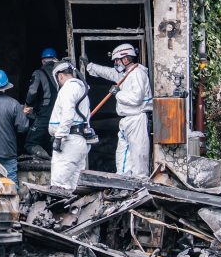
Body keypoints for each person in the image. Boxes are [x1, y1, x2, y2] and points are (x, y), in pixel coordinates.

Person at [84, 43, 152, 177]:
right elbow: (109, 73)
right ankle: (123, 181)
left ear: (126, 59)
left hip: (136, 118)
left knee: (138, 155)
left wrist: (118, 94)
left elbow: (136, 99)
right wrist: (90, 66)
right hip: (127, 120)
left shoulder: (137, 74)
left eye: (117, 60)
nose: (115, 63)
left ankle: (141, 183)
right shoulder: (127, 74)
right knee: (123, 154)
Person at [46, 60, 91, 192]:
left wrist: (59, 137)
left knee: (59, 185)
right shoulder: (81, 88)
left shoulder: (69, 88)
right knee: (73, 187)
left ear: (60, 76)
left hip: (69, 142)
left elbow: (67, 114)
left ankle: (59, 213)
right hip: (78, 141)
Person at [23, 47, 59, 158]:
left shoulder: (39, 73)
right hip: (61, 112)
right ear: (55, 59)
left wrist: (28, 104)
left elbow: (32, 92)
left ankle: (48, 161)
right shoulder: (62, 73)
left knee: (31, 143)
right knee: (53, 141)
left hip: (45, 113)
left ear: (43, 61)